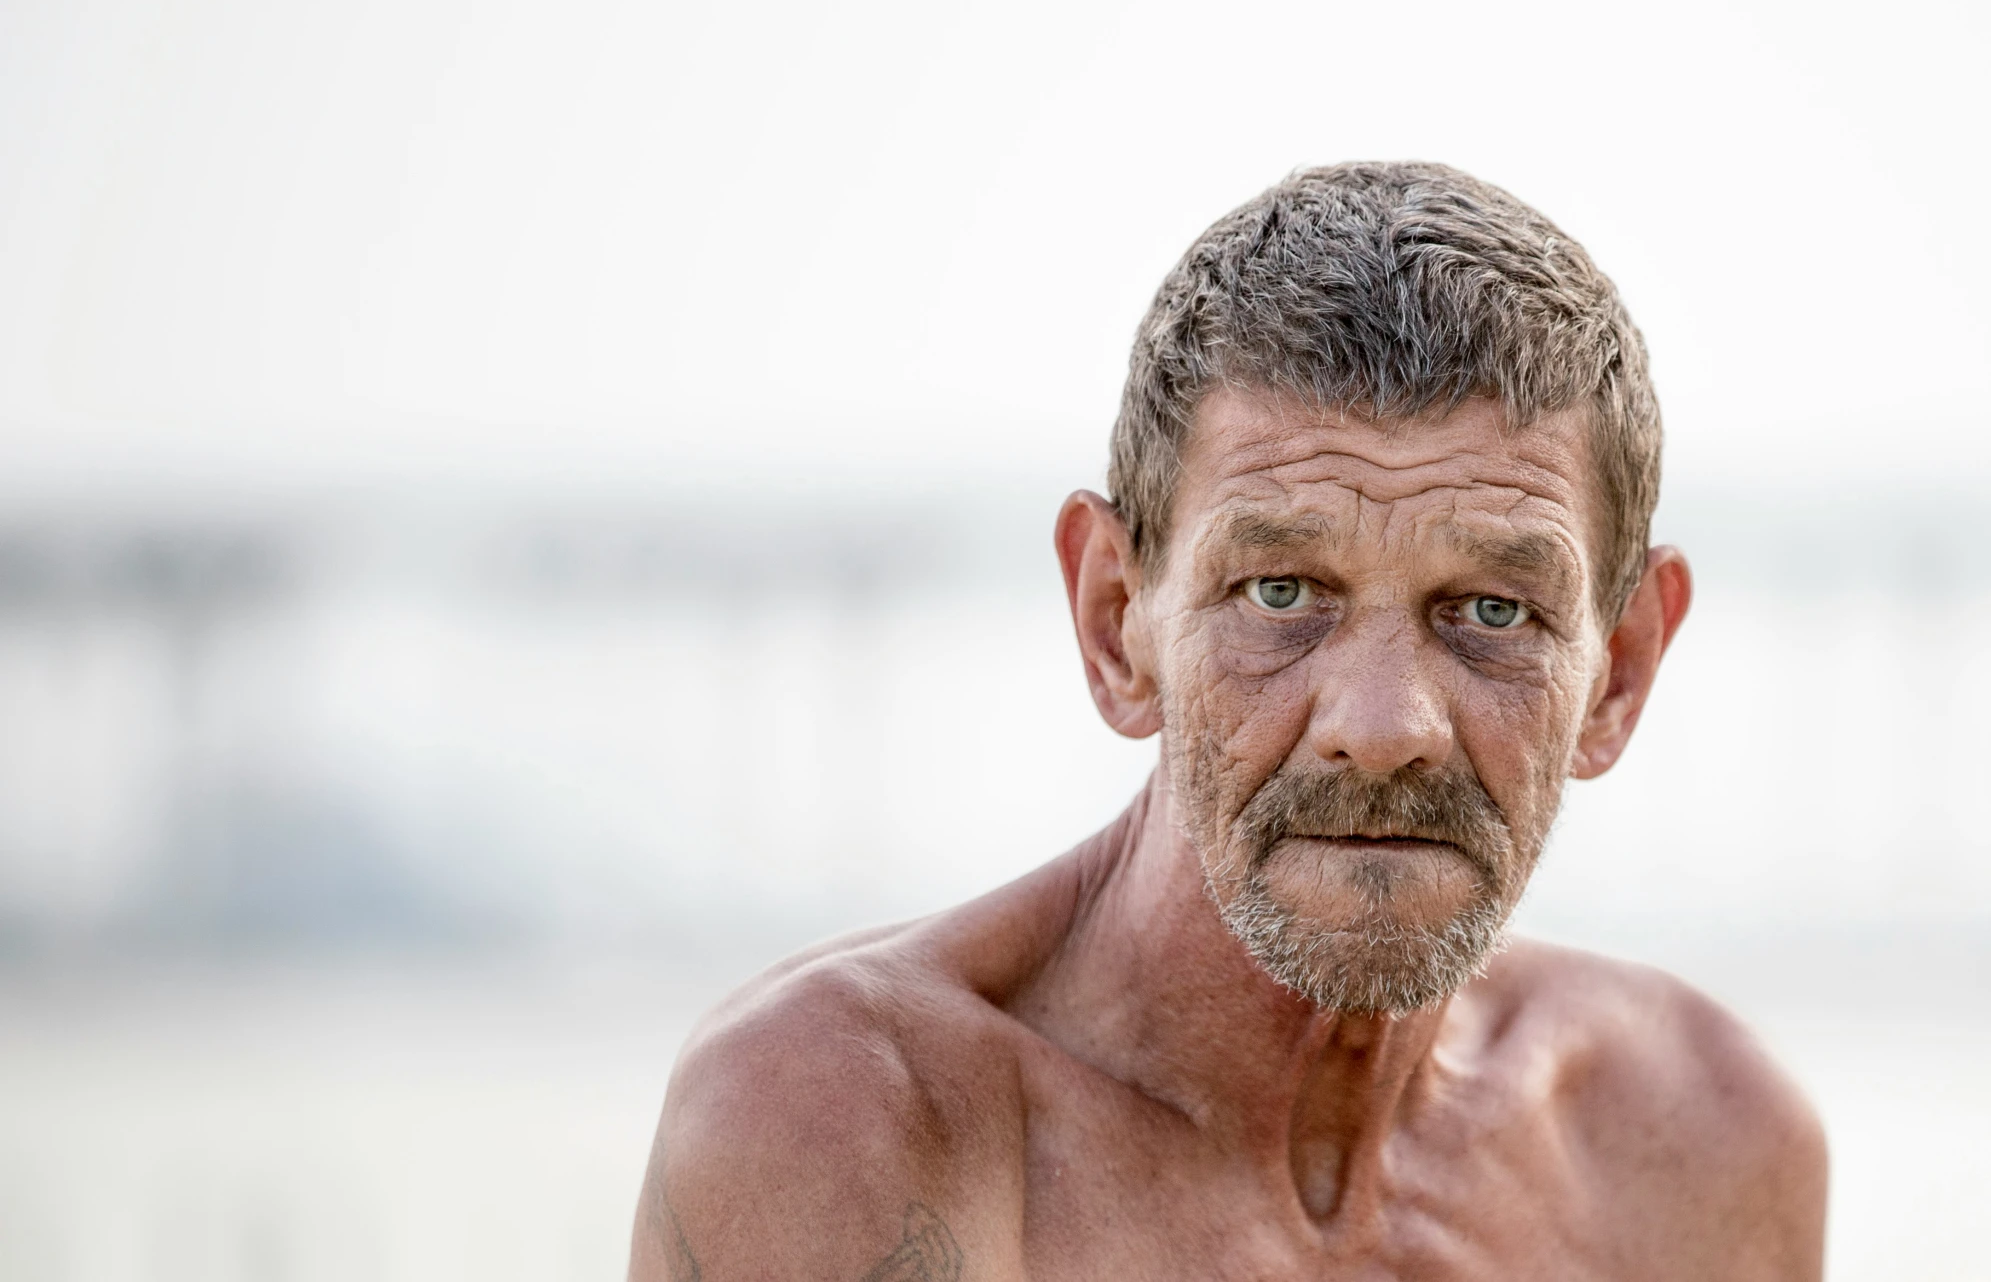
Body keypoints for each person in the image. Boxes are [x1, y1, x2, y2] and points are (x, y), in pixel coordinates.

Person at [629, 162, 1827, 1280]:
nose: (1382, 724)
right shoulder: (856, 1123)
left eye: (1492, 608)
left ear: (1616, 673)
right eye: (1280, 592)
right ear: (1115, 622)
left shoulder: (1699, 1147)